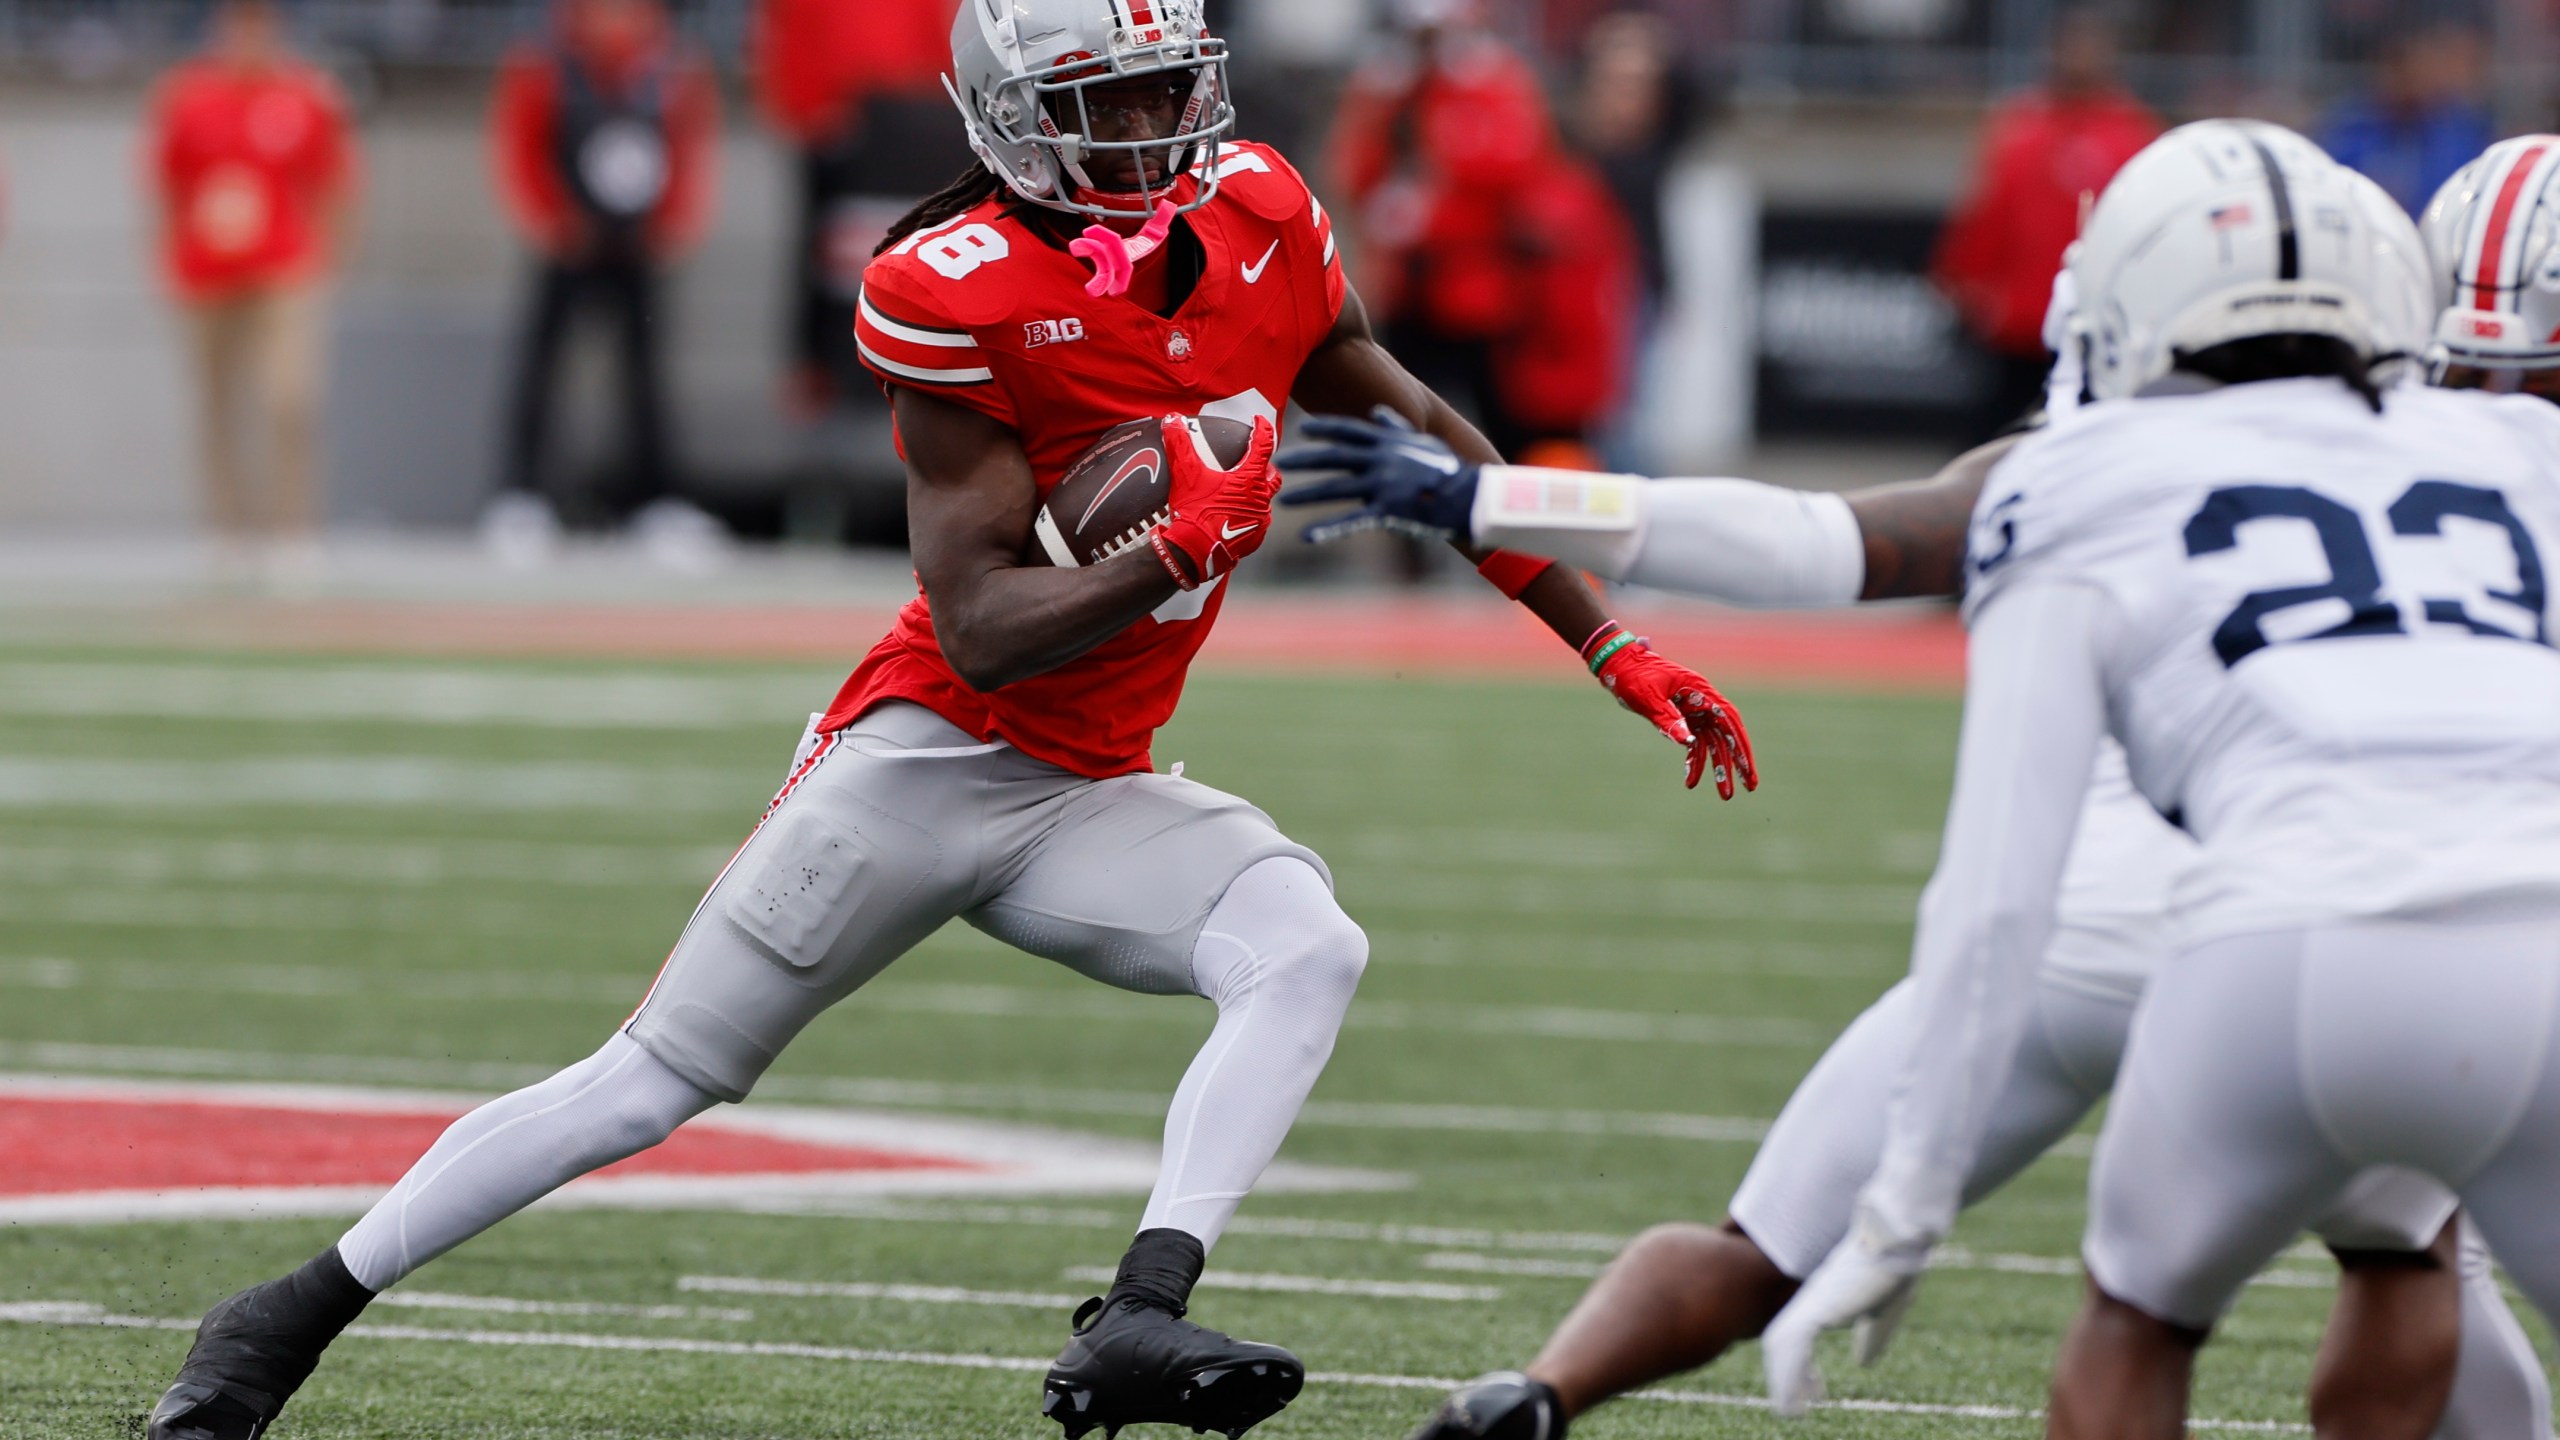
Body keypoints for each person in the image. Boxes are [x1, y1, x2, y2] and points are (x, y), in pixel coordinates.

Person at [137, 6, 1755, 1440]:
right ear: (1011, 124)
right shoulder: (956, 287)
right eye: (1102, 107)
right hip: (924, 757)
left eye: (1158, 93)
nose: (1147, 133)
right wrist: (1174, 546)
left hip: (1094, 786)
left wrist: (1609, 641)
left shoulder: (1262, 214)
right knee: (649, 1084)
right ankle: (279, 1319)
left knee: (1308, 945)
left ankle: (1139, 1311)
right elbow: (981, 626)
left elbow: (1428, 448)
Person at [1277, 123, 2559, 1440]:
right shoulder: (2516, 461)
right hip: (2502, 943)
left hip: (2202, 944)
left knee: (2085, 1308)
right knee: (2406, 1257)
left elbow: (1823, 551)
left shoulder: (2073, 475)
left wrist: (1495, 504)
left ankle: (1537, 1394)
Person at [1324, 0, 1638, 464]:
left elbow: (1501, 174)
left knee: (1495, 440)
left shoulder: (1495, 88)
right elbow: (1357, 174)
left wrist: (1430, 214)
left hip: (1481, 305)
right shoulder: (1388, 90)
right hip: (1411, 296)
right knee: (1403, 429)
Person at [482, 0, 722, 569]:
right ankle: (522, 497)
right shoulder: (544, 63)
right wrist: (549, 219)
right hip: (571, 240)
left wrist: (676, 221)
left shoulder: (671, 69)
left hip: (638, 245)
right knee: (542, 367)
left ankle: (654, 503)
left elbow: (691, 147)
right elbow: (519, 146)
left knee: (644, 376)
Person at [146, 0, 359, 562]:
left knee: (291, 399)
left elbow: (335, 182)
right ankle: (226, 532)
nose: (247, 33)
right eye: (238, 21)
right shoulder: (187, 95)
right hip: (207, 270)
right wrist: (166, 257)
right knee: (217, 405)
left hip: (282, 267)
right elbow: (164, 183)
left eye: (258, 22)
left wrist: (327, 258)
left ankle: (292, 531)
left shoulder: (305, 95)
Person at [1931, 4, 2155, 443]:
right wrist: (1959, 281)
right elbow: (1988, 214)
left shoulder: (2132, 134)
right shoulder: (2020, 127)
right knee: (1997, 442)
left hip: (2092, 327)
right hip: (2017, 325)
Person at [750, 0, 964, 423]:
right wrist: (805, 108)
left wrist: (945, 102)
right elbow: (786, 35)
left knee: (911, 241)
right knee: (825, 247)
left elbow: (941, 27)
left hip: (908, 118)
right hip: (837, 118)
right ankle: (822, 367)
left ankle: (907, 357)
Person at [2320, 17, 2492, 218]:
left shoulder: (2460, 135)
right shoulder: (2351, 130)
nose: (2410, 81)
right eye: (2400, 72)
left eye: (2420, 71)